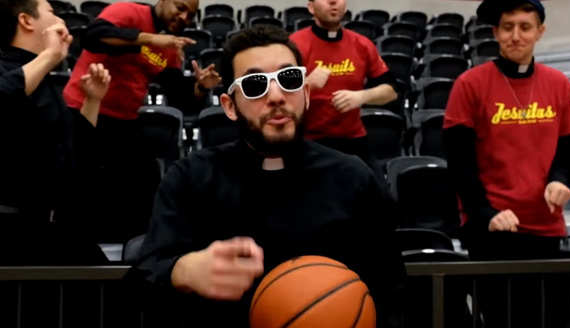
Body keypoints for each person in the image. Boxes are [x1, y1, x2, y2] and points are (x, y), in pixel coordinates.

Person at [130, 25, 405, 328]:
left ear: (306, 93)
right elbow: (143, 280)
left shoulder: (355, 178)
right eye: (255, 84)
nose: (276, 96)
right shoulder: (189, 178)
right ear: (230, 106)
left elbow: (391, 291)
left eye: (289, 79)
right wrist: (181, 271)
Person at [443, 0, 570, 327]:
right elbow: (459, 164)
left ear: (540, 32)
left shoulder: (559, 84)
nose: (516, 35)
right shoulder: (469, 85)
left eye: (525, 27)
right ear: (495, 32)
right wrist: (486, 213)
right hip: (491, 229)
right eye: (508, 27)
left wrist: (560, 180)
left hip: (544, 226)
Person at [62, 0, 222, 243]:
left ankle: (135, 252)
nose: (184, 17)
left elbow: (181, 97)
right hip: (84, 109)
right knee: (84, 183)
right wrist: (152, 39)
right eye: (180, 7)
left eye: (190, 15)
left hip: (124, 119)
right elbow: (94, 37)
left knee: (146, 184)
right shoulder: (129, 11)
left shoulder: (169, 48)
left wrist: (200, 86)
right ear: (163, 1)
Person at [0, 0, 111, 264]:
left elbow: (74, 153)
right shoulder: (8, 69)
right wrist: (50, 55)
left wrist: (92, 101)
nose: (61, 19)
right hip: (11, 233)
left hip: (56, 229)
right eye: (52, 12)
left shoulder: (44, 81)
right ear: (26, 21)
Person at [289, 0, 399, 170]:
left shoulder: (362, 44)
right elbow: (276, 95)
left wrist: (362, 96)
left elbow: (392, 90)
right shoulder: (293, 45)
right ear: (311, 7)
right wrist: (306, 84)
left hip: (353, 140)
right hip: (307, 141)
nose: (333, 2)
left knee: (381, 193)